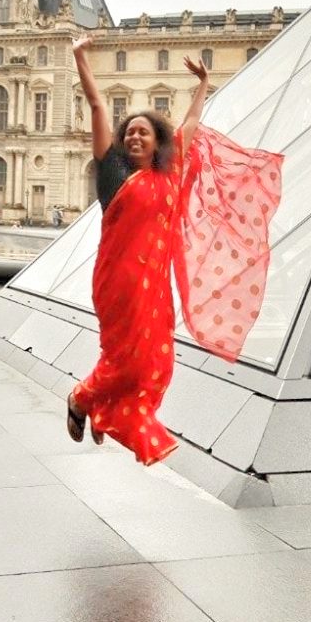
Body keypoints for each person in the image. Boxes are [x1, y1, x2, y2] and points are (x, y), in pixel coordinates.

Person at [66, 35, 282, 464]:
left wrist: (203, 83)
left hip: (154, 287)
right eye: (129, 132)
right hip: (120, 282)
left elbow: (191, 123)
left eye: (143, 132)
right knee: (125, 359)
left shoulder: (171, 174)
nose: (134, 137)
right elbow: (95, 106)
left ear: (156, 141)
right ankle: (82, 397)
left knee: (155, 364)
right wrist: (79, 57)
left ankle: (102, 408)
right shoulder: (113, 174)